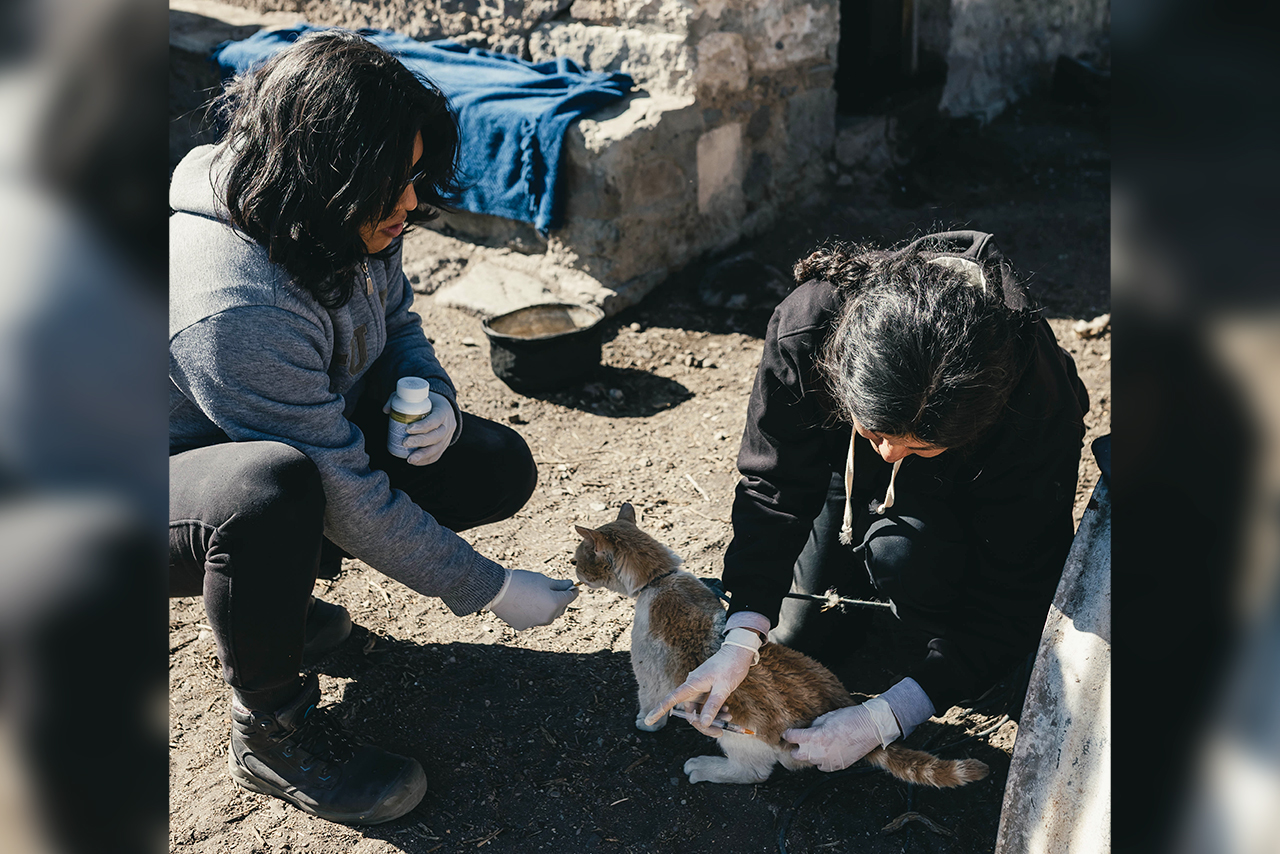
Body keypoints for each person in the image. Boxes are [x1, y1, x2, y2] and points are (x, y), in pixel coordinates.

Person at [168, 31, 578, 825]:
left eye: (417, 178)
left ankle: (272, 605)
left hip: (262, 432)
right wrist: (486, 587)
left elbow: (396, 321)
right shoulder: (232, 301)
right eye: (397, 185)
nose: (413, 204)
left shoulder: (341, 209)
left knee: (490, 462)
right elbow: (332, 484)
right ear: (323, 177)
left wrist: (429, 390)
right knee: (268, 495)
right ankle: (270, 728)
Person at [646, 231, 1088, 772]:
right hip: (840, 459)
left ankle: (939, 636)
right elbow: (776, 485)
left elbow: (1019, 585)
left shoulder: (1036, 403)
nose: (890, 452)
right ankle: (855, 568)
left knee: (909, 561)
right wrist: (741, 636)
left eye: (916, 445)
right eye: (878, 431)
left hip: (964, 489)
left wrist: (888, 715)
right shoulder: (810, 326)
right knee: (799, 634)